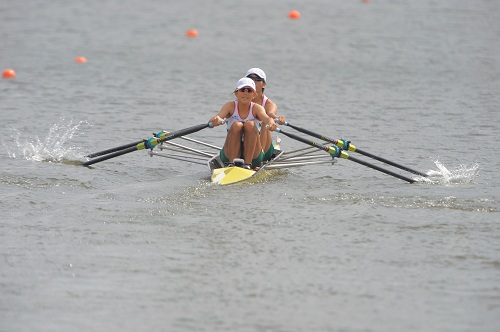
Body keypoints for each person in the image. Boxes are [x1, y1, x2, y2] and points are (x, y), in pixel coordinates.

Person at [209, 77, 277, 169]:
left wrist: (271, 123)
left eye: (249, 91)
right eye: (242, 90)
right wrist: (215, 121)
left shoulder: (257, 108)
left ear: (254, 94)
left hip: (254, 157)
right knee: (237, 125)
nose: (245, 93)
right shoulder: (229, 106)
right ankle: (231, 163)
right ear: (236, 93)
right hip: (229, 154)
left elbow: (267, 119)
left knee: (250, 124)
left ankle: (247, 164)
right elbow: (215, 118)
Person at [245, 68, 285, 162]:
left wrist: (276, 118)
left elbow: (271, 114)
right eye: (250, 79)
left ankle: (259, 158)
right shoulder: (238, 102)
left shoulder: (269, 104)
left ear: (264, 84)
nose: (253, 82)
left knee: (265, 121)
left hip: (264, 146)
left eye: (257, 80)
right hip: (244, 142)